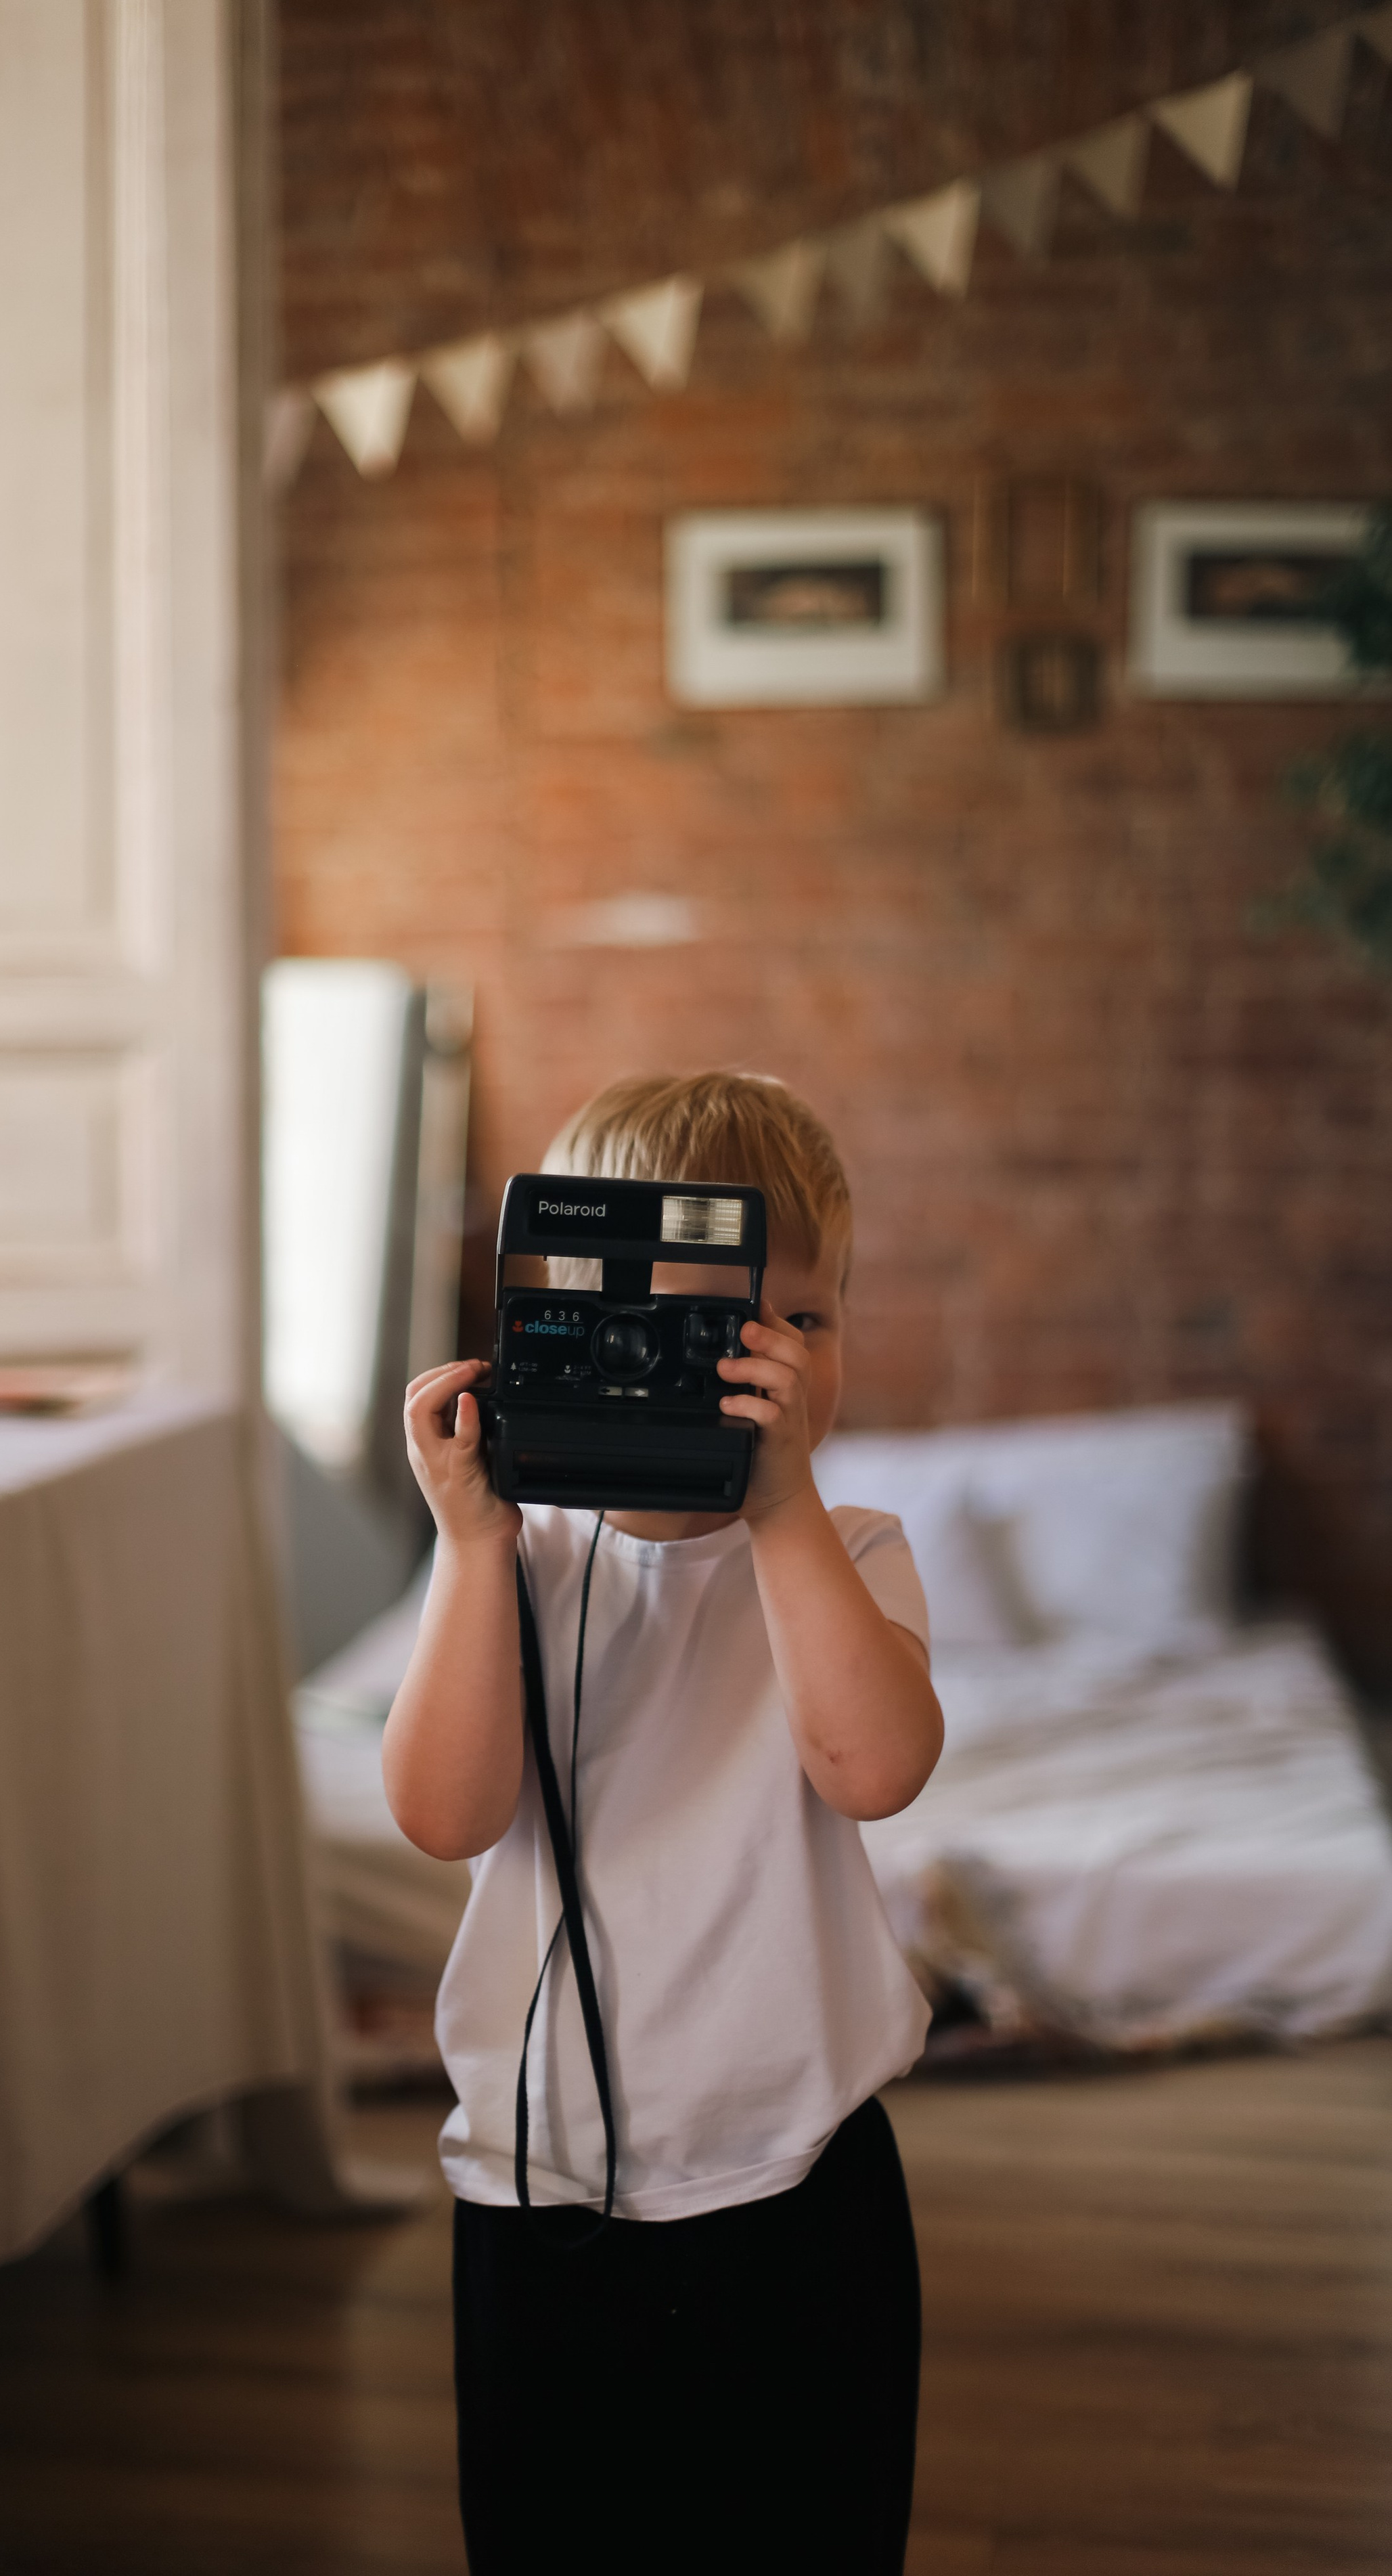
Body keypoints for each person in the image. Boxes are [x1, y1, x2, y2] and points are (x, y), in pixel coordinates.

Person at [384, 1069, 943, 2575]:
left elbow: (872, 1767)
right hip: (541, 2185)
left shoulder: (849, 1551)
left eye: (799, 1324)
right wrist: (468, 1548)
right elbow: (443, 1813)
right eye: (698, 1324)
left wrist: (777, 1511)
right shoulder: (521, 1560)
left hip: (799, 2179)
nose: (751, 1366)